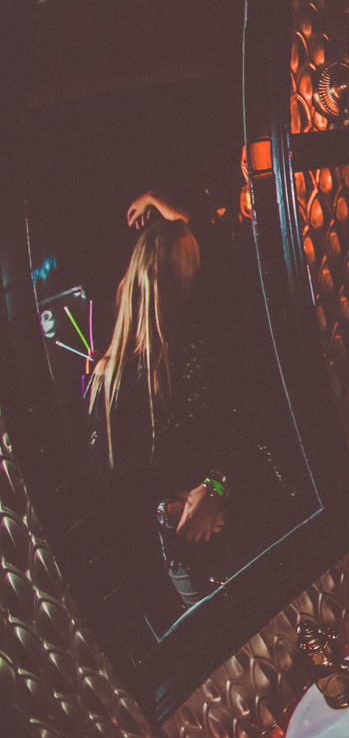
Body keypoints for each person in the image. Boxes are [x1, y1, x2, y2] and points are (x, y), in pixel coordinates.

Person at [89, 213, 232, 608]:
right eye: (192, 267)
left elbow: (236, 435)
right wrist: (171, 508)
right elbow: (115, 493)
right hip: (178, 552)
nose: (200, 276)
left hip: (225, 533)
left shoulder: (200, 344)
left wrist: (215, 488)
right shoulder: (114, 377)